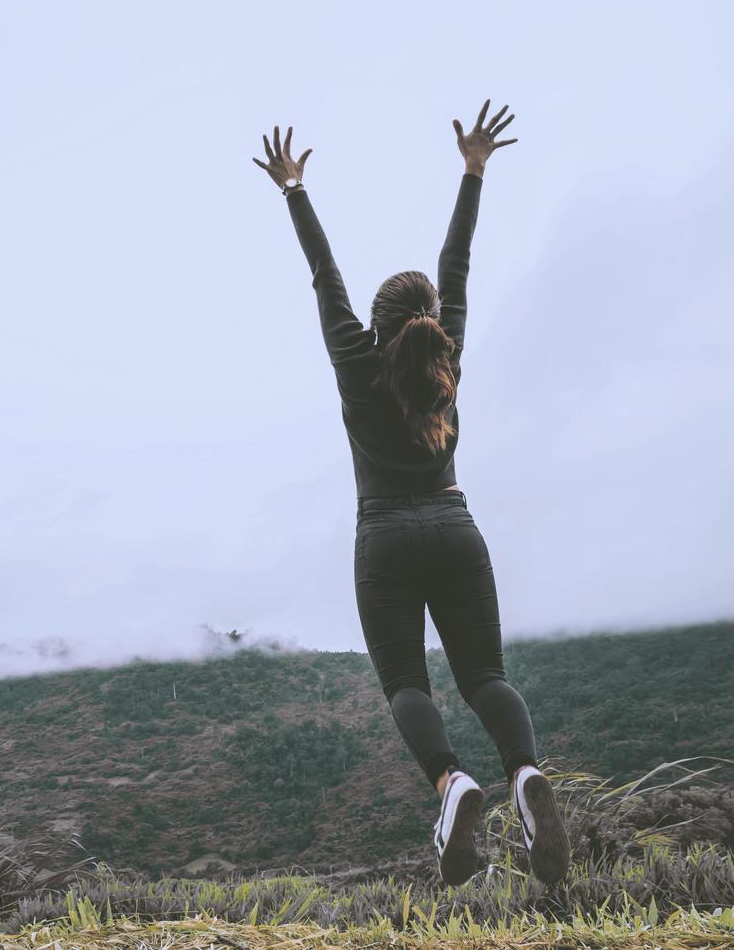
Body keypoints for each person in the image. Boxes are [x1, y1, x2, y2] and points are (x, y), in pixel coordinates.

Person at [251, 100, 570, 887]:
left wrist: (295, 189)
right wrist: (473, 170)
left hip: (385, 540)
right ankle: (525, 775)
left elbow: (324, 275)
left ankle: (453, 783)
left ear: (375, 323)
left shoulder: (356, 364)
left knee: (406, 684)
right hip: (458, 533)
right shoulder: (446, 358)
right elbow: (456, 265)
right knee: (485, 677)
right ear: (433, 323)